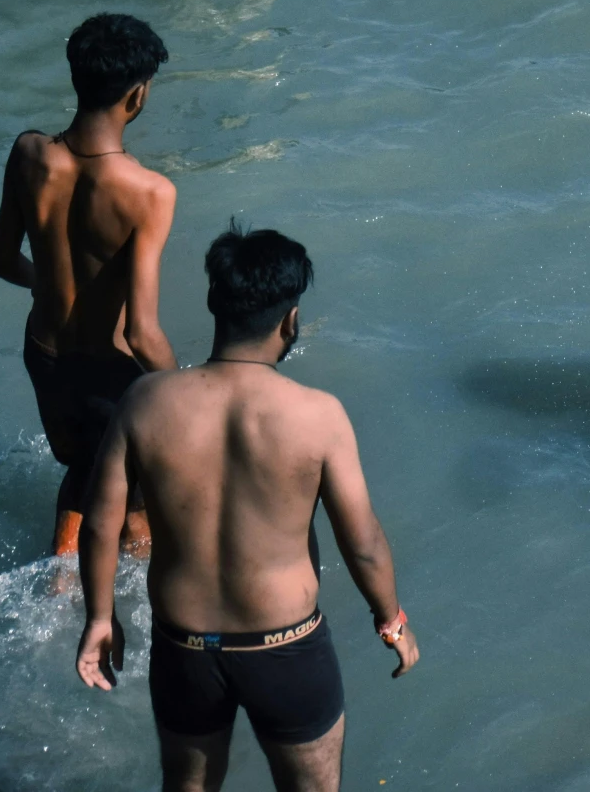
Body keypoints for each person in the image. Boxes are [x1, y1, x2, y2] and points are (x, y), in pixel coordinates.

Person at [76, 227, 420, 792]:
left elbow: (99, 523)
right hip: (285, 649)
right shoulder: (318, 416)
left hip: (185, 649)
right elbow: (363, 543)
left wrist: (98, 617)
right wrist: (391, 620)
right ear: (290, 321)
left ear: (214, 302)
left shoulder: (145, 401)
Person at [0, 13, 177, 554]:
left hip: (44, 355)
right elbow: (142, 333)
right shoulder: (148, 192)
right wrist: (188, 388)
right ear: (137, 96)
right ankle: (83, 598)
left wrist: (46, 281)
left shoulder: (27, 153)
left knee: (86, 469)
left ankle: (62, 579)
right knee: (136, 500)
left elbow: (2, 261)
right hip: (108, 371)